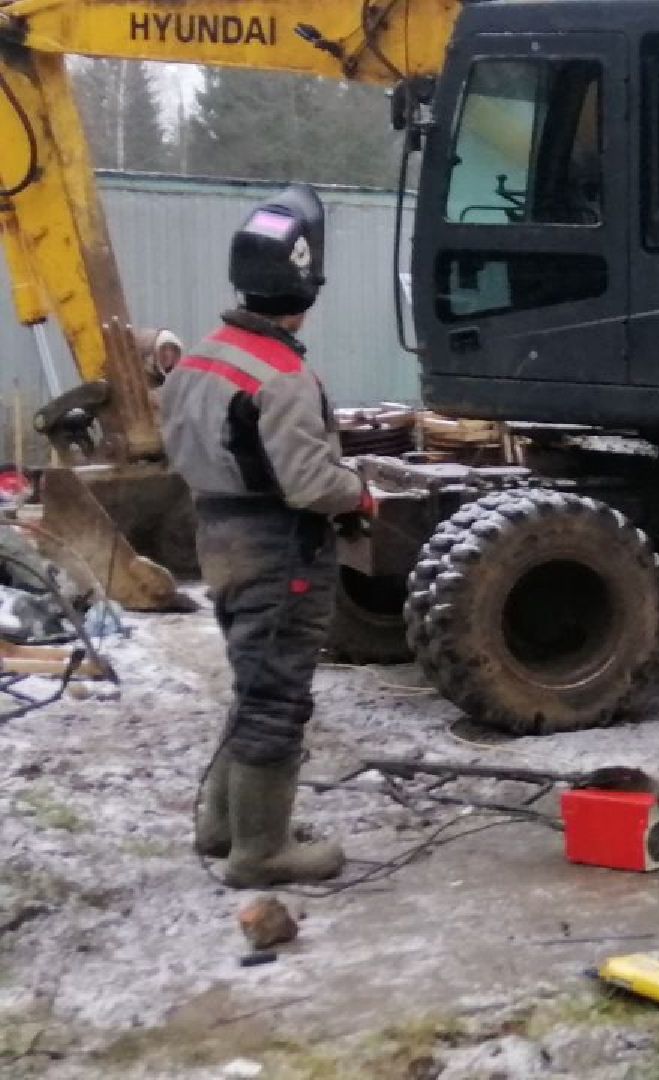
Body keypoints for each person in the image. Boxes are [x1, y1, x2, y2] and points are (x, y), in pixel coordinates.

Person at [160, 184, 371, 888]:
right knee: (278, 694)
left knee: (253, 685)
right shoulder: (281, 374)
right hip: (281, 550)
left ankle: (225, 826)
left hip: (217, 535)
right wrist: (360, 492)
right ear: (304, 287)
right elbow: (310, 483)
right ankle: (262, 851)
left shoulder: (199, 356)